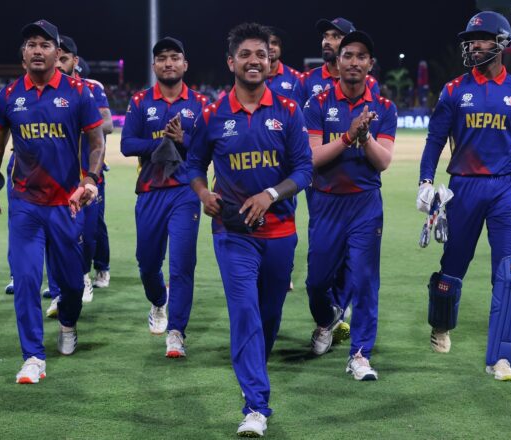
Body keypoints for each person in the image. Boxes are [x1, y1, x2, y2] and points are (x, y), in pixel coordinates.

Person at [187, 23, 312, 437]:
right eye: (245, 54)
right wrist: (203, 192)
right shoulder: (212, 114)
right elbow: (193, 164)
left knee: (268, 316)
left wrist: (270, 195)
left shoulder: (289, 111)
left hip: (280, 232)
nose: (254, 61)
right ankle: (256, 406)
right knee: (244, 312)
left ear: (271, 61)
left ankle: (254, 366)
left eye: (261, 54)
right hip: (232, 232)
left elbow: (304, 170)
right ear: (231, 62)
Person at [417, 11, 511, 381]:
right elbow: (435, 139)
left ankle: (501, 359)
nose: (473, 46)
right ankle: (441, 323)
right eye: (470, 41)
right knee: (452, 268)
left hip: (506, 189)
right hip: (463, 187)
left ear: (501, 42)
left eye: (481, 39)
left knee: (510, 273)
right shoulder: (453, 90)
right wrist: (425, 181)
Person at [0, 19, 105, 384]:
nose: (37, 50)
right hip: (25, 204)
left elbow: (97, 142)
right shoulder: (7, 96)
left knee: (71, 285)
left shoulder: (79, 92)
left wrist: (90, 179)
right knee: (26, 278)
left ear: (57, 52)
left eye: (45, 44)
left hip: (66, 204)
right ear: (23, 54)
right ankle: (33, 356)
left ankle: (68, 322)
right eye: (31, 44)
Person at [302, 31, 396, 381]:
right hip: (326, 203)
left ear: (370, 64)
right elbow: (312, 157)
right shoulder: (317, 104)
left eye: (361, 56)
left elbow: (383, 161)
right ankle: (327, 319)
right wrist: (347, 137)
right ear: (337, 62)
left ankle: (360, 354)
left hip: (365, 205)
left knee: (366, 281)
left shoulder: (384, 107)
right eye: (348, 55)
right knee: (316, 283)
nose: (354, 62)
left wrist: (365, 136)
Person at [120, 37, 207, 357]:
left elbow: (208, 148)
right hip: (150, 191)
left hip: (186, 191)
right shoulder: (141, 101)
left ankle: (176, 332)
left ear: (185, 64)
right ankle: (159, 302)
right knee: (147, 264)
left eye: (174, 57)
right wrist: (162, 142)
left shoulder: (199, 103)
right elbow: (127, 145)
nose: (168, 63)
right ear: (154, 65)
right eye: (162, 58)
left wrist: (183, 138)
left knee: (182, 264)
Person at [44, 34, 114, 317]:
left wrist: (82, 122)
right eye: (56, 58)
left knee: (89, 232)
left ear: (75, 61)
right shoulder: (44, 90)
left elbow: (107, 123)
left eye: (64, 59)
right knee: (55, 235)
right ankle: (58, 293)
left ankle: (86, 272)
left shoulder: (91, 88)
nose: (58, 64)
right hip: (57, 177)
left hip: (89, 176)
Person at [293, 17, 379, 107]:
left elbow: (373, 114)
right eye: (325, 36)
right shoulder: (305, 79)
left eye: (336, 36)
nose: (327, 42)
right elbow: (294, 115)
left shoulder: (369, 83)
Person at [264, 27, 301, 99]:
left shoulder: (297, 78)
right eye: (265, 43)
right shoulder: (249, 75)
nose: (270, 47)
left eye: (274, 43)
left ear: (280, 48)